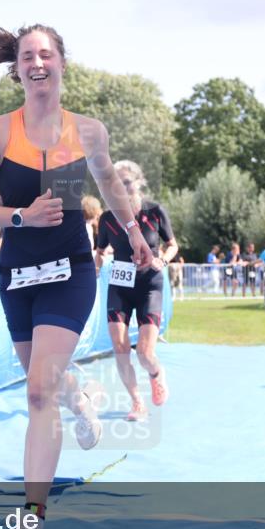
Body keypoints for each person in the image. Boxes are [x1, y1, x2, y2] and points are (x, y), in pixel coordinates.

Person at [0, 24, 153, 529]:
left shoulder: (87, 131)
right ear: (16, 69)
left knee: (37, 392)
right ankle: (78, 391)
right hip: (18, 277)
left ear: (62, 62)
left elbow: (110, 184)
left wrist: (135, 233)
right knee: (45, 382)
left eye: (47, 54)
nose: (37, 63)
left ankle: (31, 520)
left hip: (70, 272)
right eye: (27, 56)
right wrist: (19, 216)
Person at [95, 160, 178, 422]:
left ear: (138, 182)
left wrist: (162, 260)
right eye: (116, 184)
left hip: (149, 285)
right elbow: (99, 252)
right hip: (120, 285)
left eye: (127, 182)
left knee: (144, 351)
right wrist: (95, 268)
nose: (122, 188)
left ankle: (156, 374)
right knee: (120, 347)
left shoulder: (155, 212)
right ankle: (137, 402)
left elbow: (173, 245)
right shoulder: (108, 218)